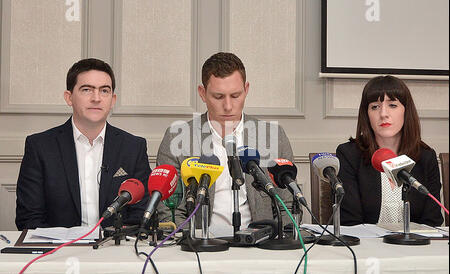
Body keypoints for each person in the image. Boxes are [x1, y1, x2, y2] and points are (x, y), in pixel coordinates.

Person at [156, 52, 298, 237]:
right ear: (202, 93)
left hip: (260, 243)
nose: (228, 106)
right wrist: (190, 242)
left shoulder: (273, 136)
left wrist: (274, 240)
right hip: (199, 244)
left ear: (246, 89)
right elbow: (171, 210)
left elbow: (287, 204)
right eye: (218, 96)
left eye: (236, 95)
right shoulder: (177, 137)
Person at [15, 58, 152, 230]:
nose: (96, 98)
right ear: (69, 97)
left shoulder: (133, 147)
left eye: (104, 91)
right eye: (87, 90)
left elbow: (142, 214)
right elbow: (28, 218)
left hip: (115, 251)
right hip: (58, 252)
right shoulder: (40, 147)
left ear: (113, 100)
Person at [336, 75, 443, 227]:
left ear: (406, 111)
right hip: (366, 249)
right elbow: (349, 223)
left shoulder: (425, 156)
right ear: (366, 114)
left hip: (416, 248)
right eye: (375, 107)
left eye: (392, 105)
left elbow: (433, 222)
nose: (383, 114)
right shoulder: (349, 154)